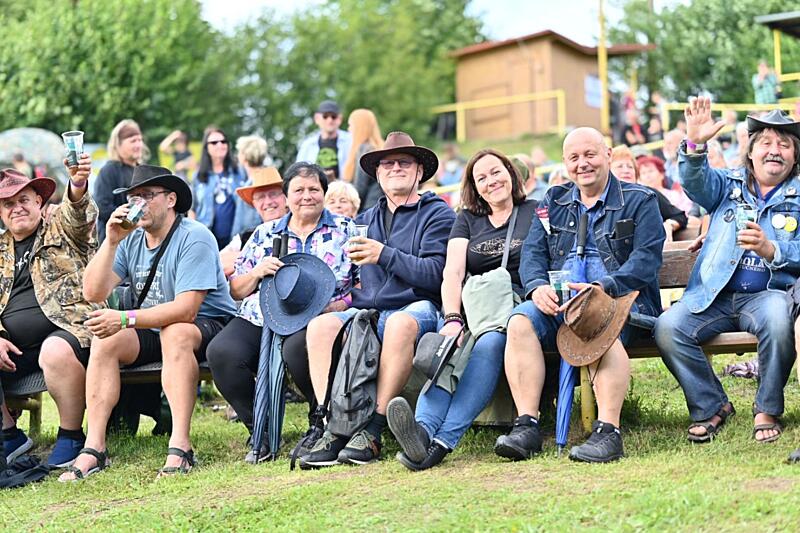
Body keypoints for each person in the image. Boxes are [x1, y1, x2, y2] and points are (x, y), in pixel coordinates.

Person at [494, 127, 665, 463]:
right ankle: (527, 426)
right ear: (565, 162)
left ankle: (609, 431)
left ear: (608, 155)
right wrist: (536, 287)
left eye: (590, 154)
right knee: (519, 322)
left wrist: (603, 288)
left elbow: (646, 260)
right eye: (573, 157)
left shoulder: (640, 200)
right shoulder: (552, 201)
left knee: (597, 321)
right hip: (558, 305)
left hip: (618, 302)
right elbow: (533, 253)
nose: (582, 163)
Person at [60, 165, 236, 481]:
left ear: (171, 199)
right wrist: (111, 241)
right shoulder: (130, 239)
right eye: (133, 197)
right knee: (105, 339)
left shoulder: (195, 237)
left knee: (176, 332)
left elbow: (186, 310)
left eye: (146, 196)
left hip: (208, 325)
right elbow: (93, 292)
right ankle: (95, 447)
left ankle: (181, 445)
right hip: (154, 325)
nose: (137, 204)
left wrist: (124, 318)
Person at [298, 132, 455, 468]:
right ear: (378, 174)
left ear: (419, 171)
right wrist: (338, 302)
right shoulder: (364, 220)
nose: (395, 168)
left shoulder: (438, 214)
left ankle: (373, 430)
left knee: (399, 323)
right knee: (320, 327)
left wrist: (385, 254)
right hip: (367, 309)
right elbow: (350, 276)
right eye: (388, 163)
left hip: (418, 307)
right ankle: (332, 425)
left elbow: (436, 274)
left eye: (404, 162)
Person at [655, 97, 800, 445]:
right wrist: (695, 145)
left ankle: (767, 409)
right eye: (765, 142)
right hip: (714, 295)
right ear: (750, 152)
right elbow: (695, 182)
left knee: (779, 322)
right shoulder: (727, 184)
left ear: (795, 156)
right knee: (668, 327)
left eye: (784, 144)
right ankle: (711, 405)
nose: (774, 150)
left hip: (768, 294)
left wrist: (772, 249)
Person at [386, 148, 536, 471]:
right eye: (481, 178)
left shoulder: (534, 211)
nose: (491, 181)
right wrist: (452, 318)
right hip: (476, 311)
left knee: (489, 344)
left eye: (496, 172)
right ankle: (421, 433)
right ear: (474, 187)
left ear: (511, 173)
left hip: (516, 307)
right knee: (450, 352)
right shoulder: (467, 219)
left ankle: (442, 441)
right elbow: (452, 272)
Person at [206, 162, 357, 463]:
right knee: (221, 352)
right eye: (298, 190)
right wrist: (256, 273)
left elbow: (364, 283)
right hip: (264, 314)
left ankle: (320, 421)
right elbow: (236, 290)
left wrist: (339, 305)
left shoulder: (346, 229)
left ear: (324, 193)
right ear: (287, 197)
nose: (306, 196)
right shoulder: (264, 233)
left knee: (298, 348)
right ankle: (259, 427)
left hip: (319, 317)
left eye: (314, 189)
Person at [0, 156, 99, 468]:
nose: (17, 208)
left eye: (24, 200)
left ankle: (71, 435)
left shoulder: (61, 229)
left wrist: (78, 183)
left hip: (71, 329)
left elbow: (79, 214)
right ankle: (9, 436)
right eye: (8, 204)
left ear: (39, 202)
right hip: (16, 346)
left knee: (54, 351)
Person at [220, 167, 288, 277]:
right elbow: (216, 262)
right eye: (260, 197)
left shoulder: (300, 230)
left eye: (273, 194)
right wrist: (250, 258)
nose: (268, 201)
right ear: (254, 204)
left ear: (286, 198)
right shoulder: (245, 237)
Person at [610, 145, 687, 241]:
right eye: (620, 166)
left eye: (630, 167)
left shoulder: (648, 194)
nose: (626, 171)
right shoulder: (602, 200)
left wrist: (669, 225)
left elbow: (679, 216)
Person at [192, 127, 247, 249]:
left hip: (236, 238)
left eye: (223, 141)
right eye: (214, 142)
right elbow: (192, 208)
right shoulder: (198, 176)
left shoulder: (239, 171)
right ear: (206, 147)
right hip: (206, 237)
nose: (220, 145)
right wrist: (194, 236)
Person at [94, 119, 146, 243]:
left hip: (139, 241)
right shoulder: (109, 171)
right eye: (133, 141)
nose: (138, 145)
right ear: (118, 145)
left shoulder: (143, 171)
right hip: (114, 242)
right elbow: (101, 207)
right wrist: (129, 217)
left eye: (140, 140)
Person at [296, 100, 353, 182]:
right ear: (317, 119)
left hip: (343, 188)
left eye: (333, 116)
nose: (330, 120)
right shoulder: (307, 144)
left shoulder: (350, 141)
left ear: (339, 119)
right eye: (325, 116)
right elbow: (298, 171)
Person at [342, 109, 383, 211]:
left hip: (367, 210)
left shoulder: (365, 150)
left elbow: (360, 188)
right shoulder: (380, 148)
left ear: (358, 127)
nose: (348, 129)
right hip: (379, 207)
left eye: (350, 125)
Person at [231, 135, 268, 238]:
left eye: (239, 152)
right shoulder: (268, 179)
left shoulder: (250, 186)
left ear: (244, 156)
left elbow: (245, 223)